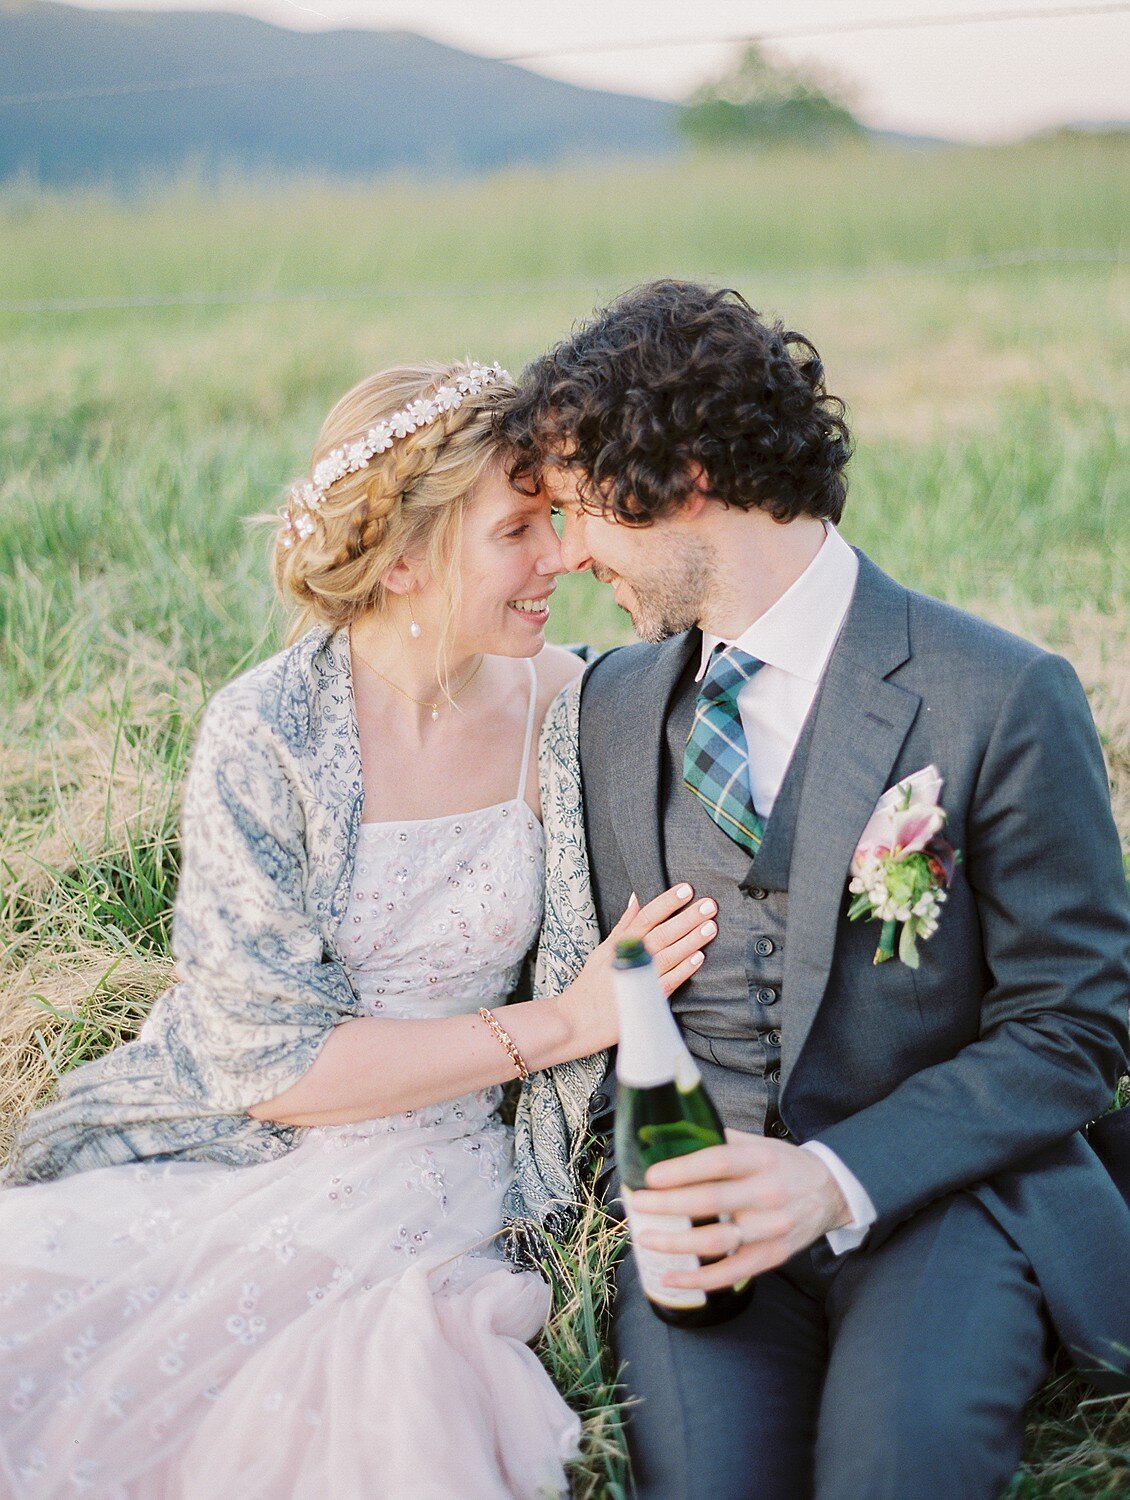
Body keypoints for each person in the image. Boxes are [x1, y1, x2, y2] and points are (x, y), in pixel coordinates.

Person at [0, 358, 718, 1499]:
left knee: (378, 1404)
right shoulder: (265, 735)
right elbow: (265, 1068)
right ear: (401, 560)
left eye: (557, 522)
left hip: (454, 1171)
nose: (558, 560)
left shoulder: (568, 702)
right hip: (247, 1140)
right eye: (518, 531)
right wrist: (567, 1020)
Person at [500, 282, 1130, 1500]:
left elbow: (1071, 1031)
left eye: (580, 510)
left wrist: (831, 1181)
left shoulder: (996, 695)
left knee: (895, 1470)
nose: (565, 552)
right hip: (699, 1227)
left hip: (936, 1202)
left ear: (682, 478)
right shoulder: (612, 708)